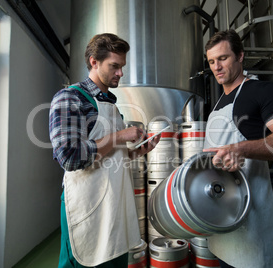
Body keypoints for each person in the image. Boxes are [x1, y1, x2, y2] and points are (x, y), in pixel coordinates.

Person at [49, 33, 160, 268]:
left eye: (122, 67)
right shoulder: (70, 98)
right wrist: (120, 136)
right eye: (115, 66)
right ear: (94, 62)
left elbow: (111, 157)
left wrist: (138, 152)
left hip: (116, 205)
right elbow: (69, 157)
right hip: (86, 206)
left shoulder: (112, 106)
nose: (120, 73)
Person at [202, 29, 273, 268]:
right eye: (211, 61)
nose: (217, 66)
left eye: (223, 58)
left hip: (251, 222)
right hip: (221, 221)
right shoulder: (218, 105)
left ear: (240, 56)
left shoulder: (263, 92)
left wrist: (241, 149)